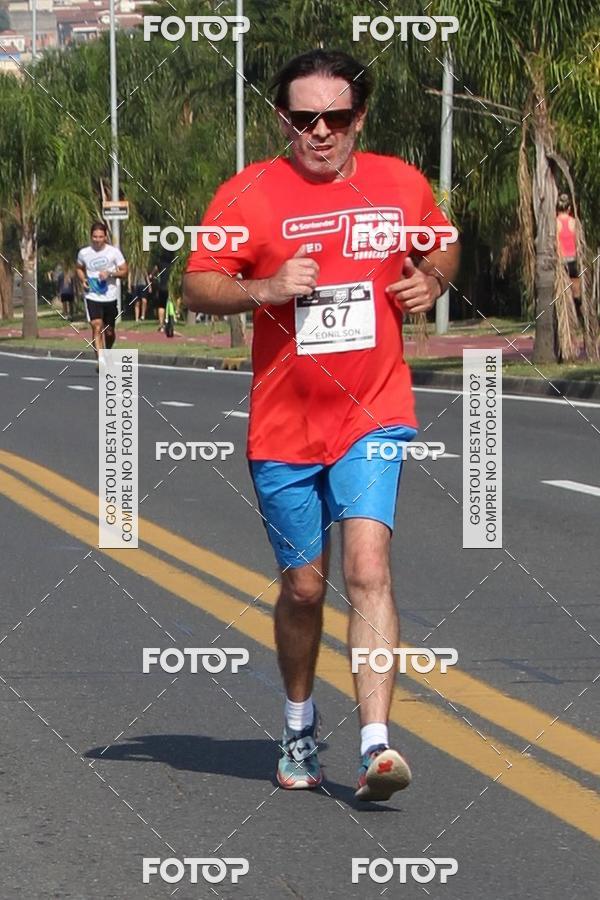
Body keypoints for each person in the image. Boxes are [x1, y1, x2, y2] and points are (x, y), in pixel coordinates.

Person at [183, 49, 460, 802]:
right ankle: (300, 720)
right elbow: (199, 281)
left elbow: (442, 240)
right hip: (283, 426)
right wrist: (265, 286)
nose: (320, 131)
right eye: (304, 118)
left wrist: (429, 279)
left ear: (358, 118)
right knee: (305, 589)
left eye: (335, 117)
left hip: (373, 411)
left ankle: (376, 745)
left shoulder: (399, 182)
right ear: (284, 120)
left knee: (368, 568)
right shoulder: (248, 193)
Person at [76, 222, 128, 369]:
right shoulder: (84, 253)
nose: (97, 240)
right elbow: (79, 268)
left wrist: (110, 273)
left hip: (110, 296)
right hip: (92, 296)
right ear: (91, 236)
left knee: (109, 331)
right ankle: (101, 360)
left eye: (100, 237)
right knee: (96, 326)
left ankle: (107, 352)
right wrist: (83, 280)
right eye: (94, 237)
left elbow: (125, 271)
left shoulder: (113, 252)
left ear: (105, 237)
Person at [556, 193, 583, 327]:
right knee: (576, 291)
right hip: (573, 260)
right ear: (569, 208)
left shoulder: (555, 223)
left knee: (563, 292)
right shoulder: (574, 223)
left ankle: (567, 321)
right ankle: (577, 317)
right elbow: (579, 243)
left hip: (561, 261)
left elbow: (555, 244)